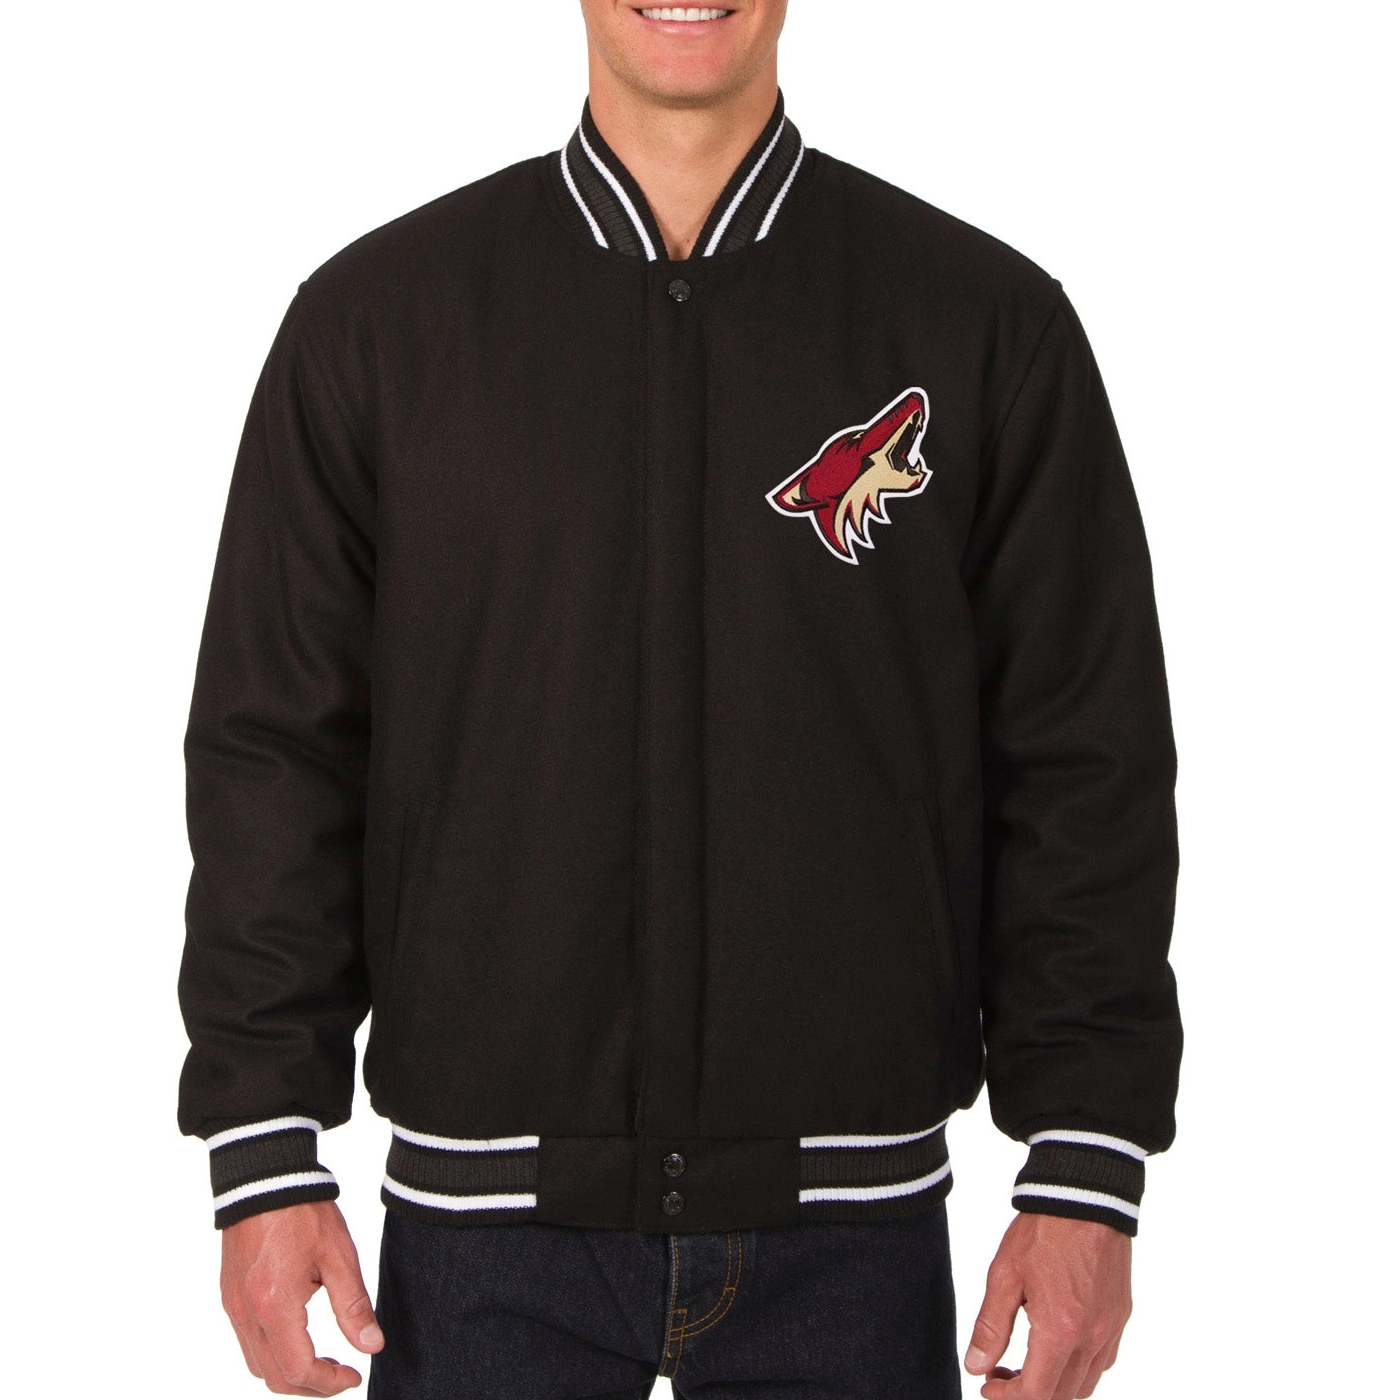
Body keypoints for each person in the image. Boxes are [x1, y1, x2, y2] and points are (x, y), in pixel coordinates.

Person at [176, 3, 1182, 1397]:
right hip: (482, 1239)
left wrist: (1087, 1160)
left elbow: (1085, 759)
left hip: (853, 1234)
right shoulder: (379, 323)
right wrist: (264, 1145)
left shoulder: (981, 321)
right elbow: (275, 753)